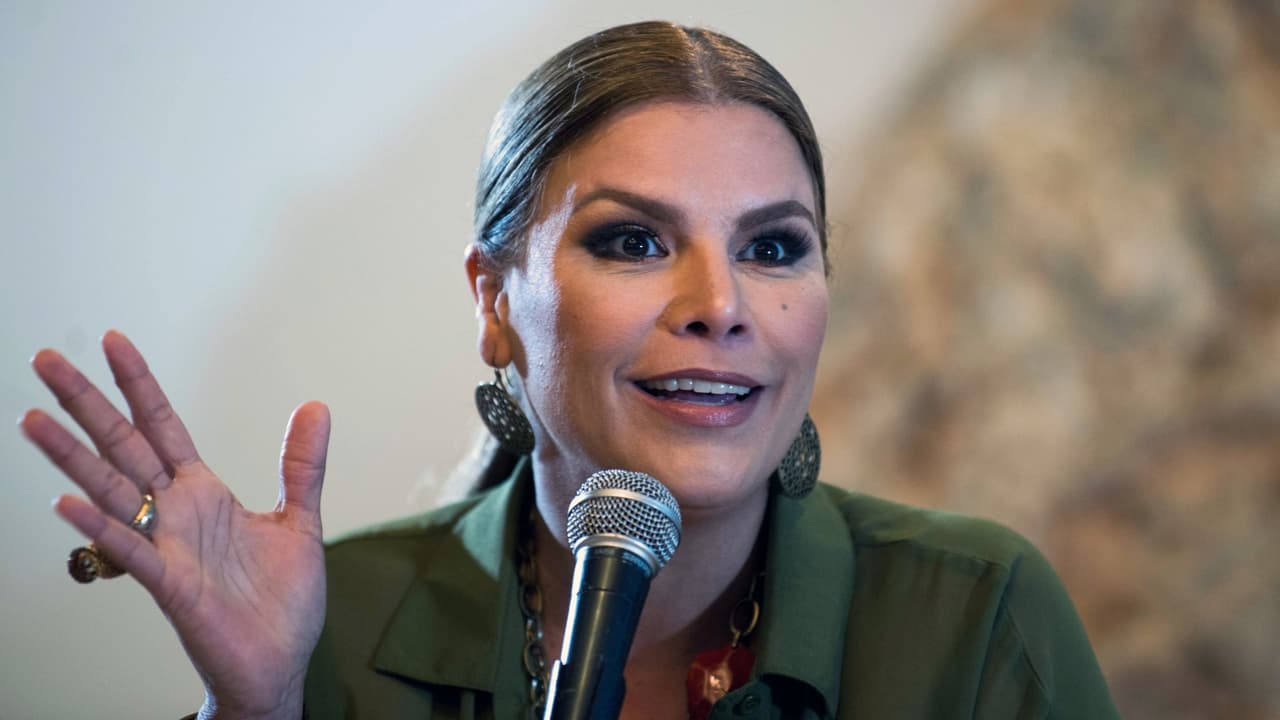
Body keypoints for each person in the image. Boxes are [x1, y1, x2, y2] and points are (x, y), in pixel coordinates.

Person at [20, 21, 1120, 720]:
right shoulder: (327, 627)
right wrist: (256, 713)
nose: (721, 305)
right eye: (634, 241)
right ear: (493, 302)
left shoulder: (979, 615)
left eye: (772, 247)